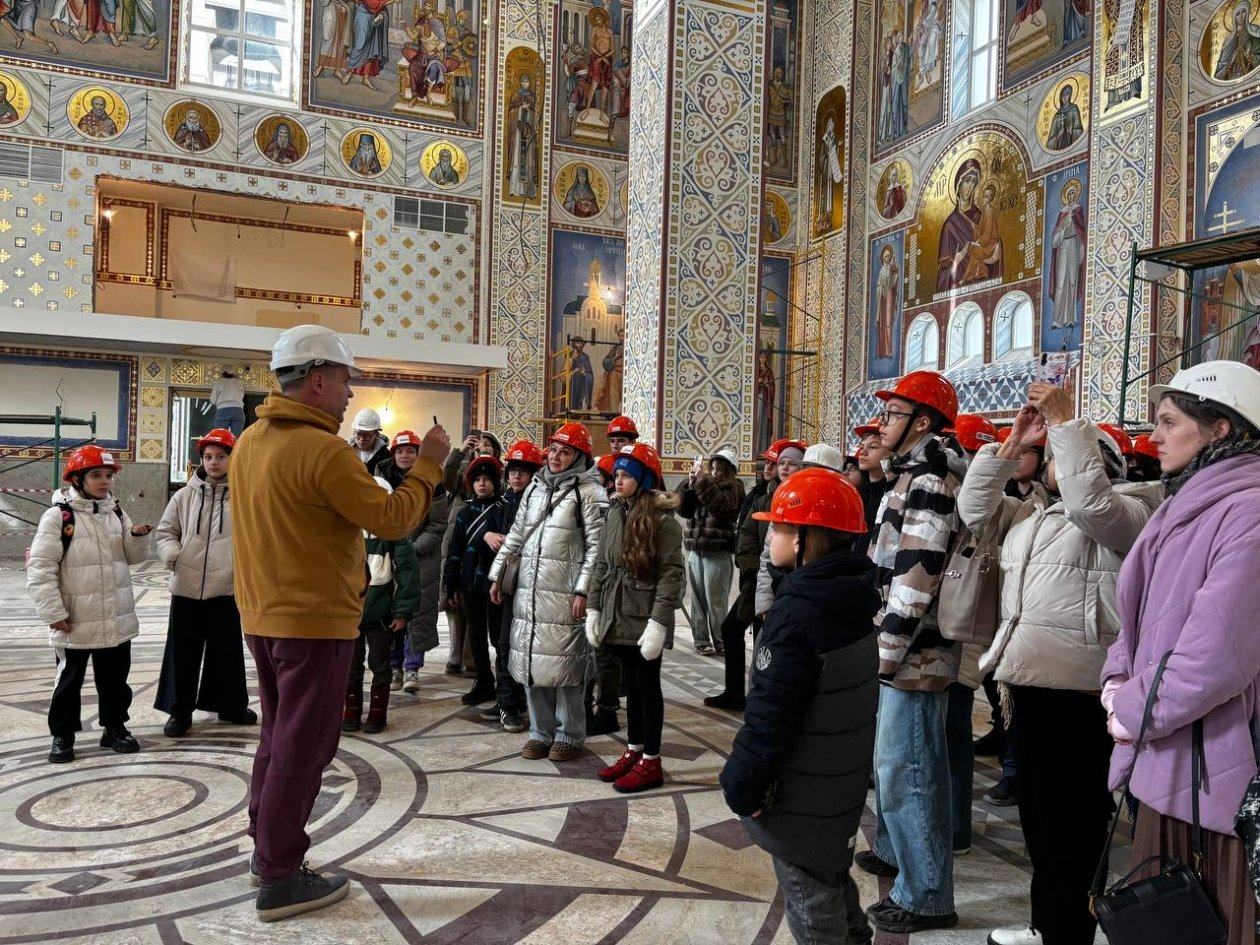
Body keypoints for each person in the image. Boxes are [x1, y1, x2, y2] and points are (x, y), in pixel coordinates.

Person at [231, 324, 448, 921]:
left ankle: (265, 851)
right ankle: (279, 875)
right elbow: (394, 517)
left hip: (263, 616)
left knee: (278, 739)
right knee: (305, 747)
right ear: (319, 378)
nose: (351, 393)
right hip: (314, 622)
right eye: (347, 380)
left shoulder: (251, 441)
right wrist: (428, 465)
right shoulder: (322, 450)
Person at [960, 387, 1162, 945]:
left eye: (1058, 453)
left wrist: (1066, 421)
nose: (1048, 461)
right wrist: (1010, 445)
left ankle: (1069, 931)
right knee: (1040, 823)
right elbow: (973, 509)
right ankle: (1047, 925)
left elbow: (1090, 506)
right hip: (1026, 683)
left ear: (1095, 462)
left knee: (1072, 824)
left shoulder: (1138, 509)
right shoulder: (1031, 516)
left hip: (1078, 689)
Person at [1101, 360, 1260, 945]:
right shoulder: (1180, 505)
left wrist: (1131, 711)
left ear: (1221, 428)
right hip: (1168, 752)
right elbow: (1137, 623)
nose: (1154, 438)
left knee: (1208, 920)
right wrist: (1116, 682)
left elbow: (1213, 655)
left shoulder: (1250, 510)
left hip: (1216, 765)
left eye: (1168, 423)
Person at [720, 469, 882, 945]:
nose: (771, 536)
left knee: (809, 897)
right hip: (837, 782)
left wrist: (741, 781)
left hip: (801, 791)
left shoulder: (798, 614)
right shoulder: (852, 596)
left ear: (807, 540)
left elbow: (770, 716)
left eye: (780, 528)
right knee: (829, 871)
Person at [856, 369, 965, 934]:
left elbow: (917, 575)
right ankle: (900, 856)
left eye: (894, 415)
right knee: (897, 764)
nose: (883, 423)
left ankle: (926, 894)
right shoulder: (911, 473)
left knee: (911, 769)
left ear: (922, 422)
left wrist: (887, 650)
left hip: (915, 652)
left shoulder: (929, 479)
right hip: (904, 647)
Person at [27, 446, 151, 765]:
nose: (105, 481)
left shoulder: (116, 513)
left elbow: (135, 559)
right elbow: (41, 568)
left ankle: (114, 728)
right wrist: (53, 612)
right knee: (69, 682)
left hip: (115, 617)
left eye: (108, 475)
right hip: (76, 619)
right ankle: (63, 735)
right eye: (96, 475)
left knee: (114, 680)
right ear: (78, 479)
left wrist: (136, 537)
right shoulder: (59, 516)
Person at [488, 423, 605, 762]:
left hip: (566, 593)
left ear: (579, 457)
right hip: (530, 591)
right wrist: (498, 575)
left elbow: (597, 548)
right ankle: (540, 732)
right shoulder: (535, 488)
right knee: (531, 663)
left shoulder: (590, 492)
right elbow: (517, 534)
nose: (555, 457)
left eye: (564, 452)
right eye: (553, 450)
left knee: (567, 667)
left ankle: (569, 733)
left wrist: (584, 588)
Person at [586, 443, 685, 792]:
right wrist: (594, 608)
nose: (618, 481)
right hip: (617, 611)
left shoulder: (663, 522)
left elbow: (671, 575)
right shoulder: (615, 512)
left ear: (644, 479)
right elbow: (601, 565)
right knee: (633, 686)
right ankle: (635, 750)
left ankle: (652, 762)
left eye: (626, 475)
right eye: (616, 475)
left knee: (647, 687)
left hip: (644, 615)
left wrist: (659, 623)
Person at [154, 428, 256, 738]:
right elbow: (165, 531)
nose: (214, 463)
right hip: (187, 587)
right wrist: (174, 555)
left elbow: (256, 537)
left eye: (221, 457)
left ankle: (229, 705)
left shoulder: (246, 496)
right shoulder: (184, 495)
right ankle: (179, 710)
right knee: (181, 651)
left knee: (226, 651)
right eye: (208, 457)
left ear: (232, 459)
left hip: (226, 587)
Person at [704, 439, 796, 710]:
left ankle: (756, 695)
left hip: (772, 582)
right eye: (774, 463)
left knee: (754, 636)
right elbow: (747, 533)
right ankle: (739, 693)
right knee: (742, 632)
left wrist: (761, 573)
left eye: (776, 462)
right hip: (755, 580)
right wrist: (749, 567)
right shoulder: (762, 496)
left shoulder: (781, 497)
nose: (772, 468)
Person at [343, 477, 421, 735]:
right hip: (349, 612)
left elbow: (407, 573)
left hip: (380, 613)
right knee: (349, 666)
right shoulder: (347, 529)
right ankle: (351, 711)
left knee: (380, 664)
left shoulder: (394, 533)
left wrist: (402, 612)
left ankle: (377, 714)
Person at [480, 440, 542, 733]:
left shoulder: (540, 502)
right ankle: (507, 702)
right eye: (513, 471)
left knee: (525, 645)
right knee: (504, 643)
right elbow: (484, 526)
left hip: (532, 585)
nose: (516, 477)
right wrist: (489, 534)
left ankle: (521, 701)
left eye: (523, 472)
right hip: (508, 583)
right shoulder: (504, 502)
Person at [378, 431, 447, 692]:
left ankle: (412, 669)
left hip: (421, 560)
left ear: (419, 455)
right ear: (393, 455)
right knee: (391, 618)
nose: (405, 456)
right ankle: (393, 668)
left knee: (416, 617)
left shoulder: (433, 483)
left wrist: (411, 549)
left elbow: (438, 524)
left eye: (410, 451)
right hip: (388, 560)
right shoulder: (382, 480)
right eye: (400, 451)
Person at [441, 429, 503, 675]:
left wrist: (488, 460)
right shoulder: (467, 478)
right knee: (456, 604)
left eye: (489, 445)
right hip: (460, 544)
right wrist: (461, 452)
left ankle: (474, 661)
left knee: (485, 619)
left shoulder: (499, 485)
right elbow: (447, 478)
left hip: (487, 561)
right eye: (480, 443)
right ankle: (456, 654)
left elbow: (503, 488)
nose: (482, 447)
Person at [676, 448, 745, 655]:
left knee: (716, 599)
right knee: (697, 599)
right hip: (696, 550)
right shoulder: (704, 486)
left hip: (717, 552)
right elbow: (683, 509)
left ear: (729, 471)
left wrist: (702, 482)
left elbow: (721, 507)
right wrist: (689, 485)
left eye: (719, 469)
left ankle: (721, 639)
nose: (715, 472)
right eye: (712, 468)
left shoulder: (734, 487)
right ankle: (701, 638)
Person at [753, 443, 806, 618]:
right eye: (781, 463)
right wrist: (764, 602)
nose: (784, 467)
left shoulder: (807, 499)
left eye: (791, 463)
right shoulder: (779, 498)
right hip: (779, 585)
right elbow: (768, 555)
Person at [852, 417, 891, 558]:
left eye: (873, 447)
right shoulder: (858, 495)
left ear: (891, 452)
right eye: (862, 446)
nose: (863, 452)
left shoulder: (894, 494)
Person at [348, 408, 390, 474]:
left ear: (376, 434)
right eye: (358, 434)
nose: (361, 439)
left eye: (366, 434)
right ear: (353, 433)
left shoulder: (385, 457)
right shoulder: (344, 449)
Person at [210, 370, 246, 437]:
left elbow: (213, 400)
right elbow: (241, 397)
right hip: (238, 411)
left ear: (222, 373)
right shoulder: (238, 383)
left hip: (223, 411)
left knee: (220, 437)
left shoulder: (219, 382)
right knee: (237, 439)